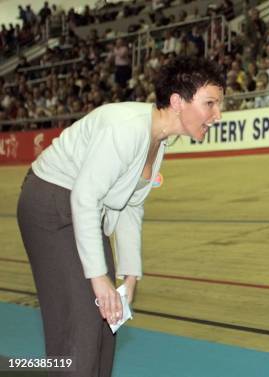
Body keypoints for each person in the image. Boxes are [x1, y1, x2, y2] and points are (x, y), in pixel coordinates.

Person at [16, 56, 225, 376]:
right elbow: (84, 197)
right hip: (50, 206)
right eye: (210, 103)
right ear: (177, 101)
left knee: (107, 321)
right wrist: (99, 279)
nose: (217, 115)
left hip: (80, 212)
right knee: (81, 324)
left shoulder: (160, 142)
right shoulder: (127, 128)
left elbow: (130, 206)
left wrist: (130, 275)